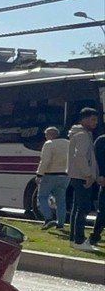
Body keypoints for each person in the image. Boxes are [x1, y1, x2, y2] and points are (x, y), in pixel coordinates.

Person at [67, 107, 99, 252]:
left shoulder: (80, 134)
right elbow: (80, 156)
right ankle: (79, 240)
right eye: (93, 119)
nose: (96, 122)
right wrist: (88, 174)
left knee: (76, 207)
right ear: (84, 119)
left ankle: (74, 239)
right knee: (83, 208)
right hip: (81, 176)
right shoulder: (82, 135)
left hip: (76, 175)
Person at [35, 126, 70, 231]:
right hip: (65, 175)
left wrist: (39, 174)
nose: (45, 137)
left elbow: (45, 160)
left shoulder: (49, 144)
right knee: (61, 200)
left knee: (42, 197)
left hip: (50, 175)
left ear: (50, 135)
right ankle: (61, 223)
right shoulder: (68, 143)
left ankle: (48, 218)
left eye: (46, 135)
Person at [90, 131, 105, 247]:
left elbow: (96, 160)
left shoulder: (101, 140)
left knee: (102, 210)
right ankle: (95, 235)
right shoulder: (101, 141)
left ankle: (95, 235)